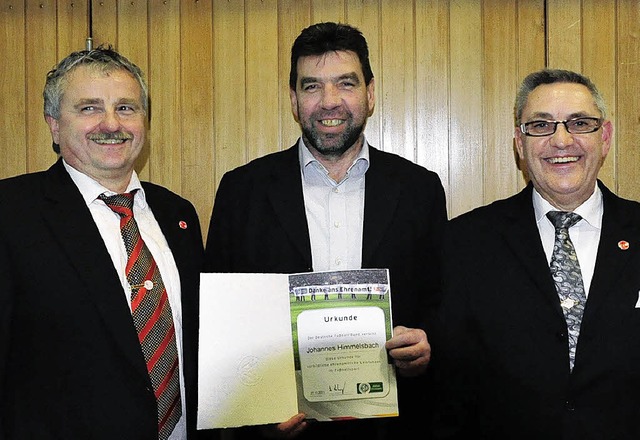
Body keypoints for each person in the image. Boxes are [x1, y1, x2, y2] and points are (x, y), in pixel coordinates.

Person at [204, 22, 447, 439]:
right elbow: (220, 326)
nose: (329, 102)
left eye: (345, 84)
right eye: (312, 86)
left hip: (395, 427)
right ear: (295, 100)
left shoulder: (419, 189)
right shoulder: (242, 190)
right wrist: (255, 418)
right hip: (278, 430)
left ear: (370, 94)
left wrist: (426, 346)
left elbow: (442, 303)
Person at [0, 46, 205, 439]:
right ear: (54, 125)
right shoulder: (11, 215)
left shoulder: (178, 215)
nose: (112, 124)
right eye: (90, 108)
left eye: (126, 108)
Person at [430, 69, 640, 439]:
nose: (561, 140)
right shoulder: (466, 241)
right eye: (541, 126)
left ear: (604, 138)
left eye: (580, 123)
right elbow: (452, 383)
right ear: (519, 143)